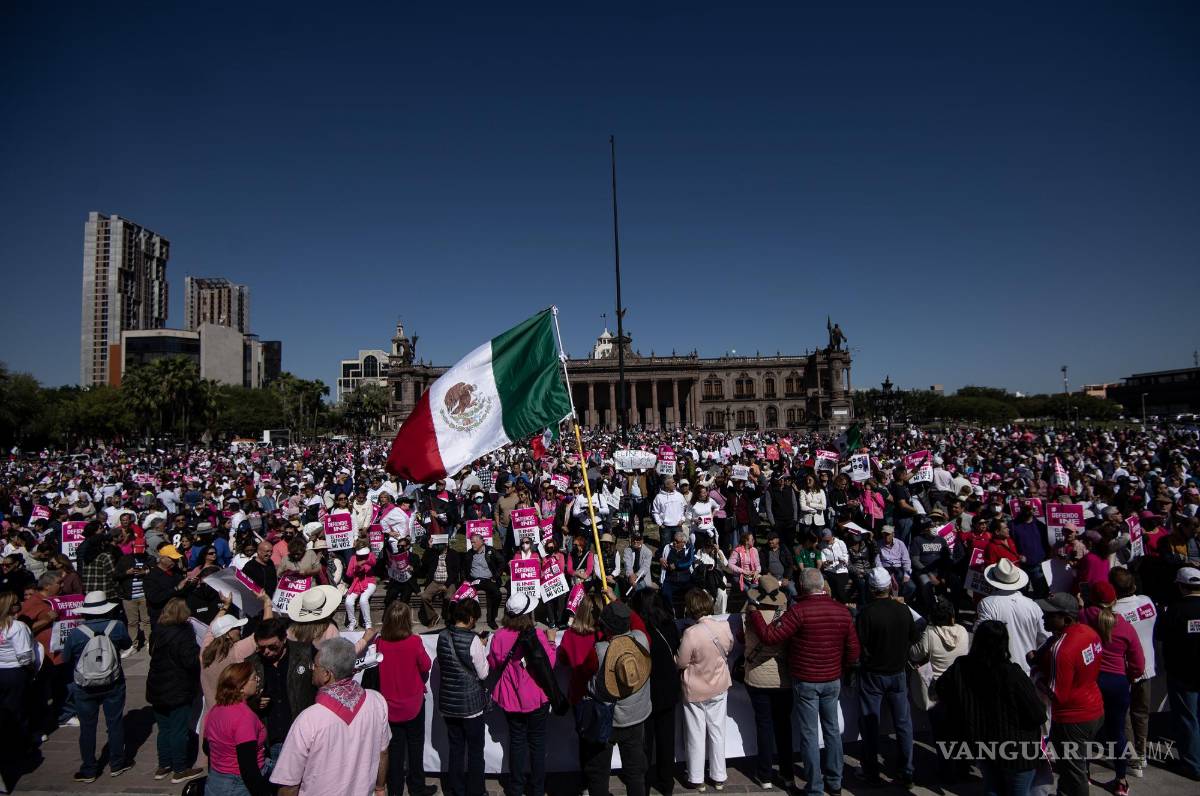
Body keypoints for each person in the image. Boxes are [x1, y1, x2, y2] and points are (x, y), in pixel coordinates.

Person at [749, 567, 859, 796]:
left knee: (809, 734)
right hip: (831, 678)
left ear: (801, 586)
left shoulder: (799, 611)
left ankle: (815, 787)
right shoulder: (841, 611)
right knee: (831, 731)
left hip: (806, 679)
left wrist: (755, 614)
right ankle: (835, 782)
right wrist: (843, 668)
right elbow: (853, 650)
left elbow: (771, 637)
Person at [934, 621, 1046, 796]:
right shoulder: (1012, 674)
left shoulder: (962, 667)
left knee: (992, 789)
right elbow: (1038, 714)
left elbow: (940, 689)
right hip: (1017, 751)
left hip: (983, 745)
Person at [270, 637, 392, 796]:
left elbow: (289, 785)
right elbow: (383, 753)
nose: (311, 669)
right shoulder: (376, 701)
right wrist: (380, 788)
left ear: (327, 674)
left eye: (315, 666)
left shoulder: (308, 720)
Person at [1031, 592, 1104, 796]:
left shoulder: (1062, 650)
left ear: (1067, 619)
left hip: (1072, 719)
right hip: (1094, 708)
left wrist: (1036, 675)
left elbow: (1056, 695)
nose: (1043, 617)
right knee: (1074, 766)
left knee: (1074, 771)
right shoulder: (1089, 632)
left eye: (1049, 614)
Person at [580, 599, 652, 796]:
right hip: (637, 718)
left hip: (608, 721)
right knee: (635, 772)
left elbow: (585, 674)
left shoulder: (601, 651)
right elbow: (639, 625)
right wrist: (620, 604)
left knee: (599, 773)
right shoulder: (642, 640)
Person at [855, 566, 919, 787]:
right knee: (903, 723)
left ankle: (871, 771)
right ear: (890, 587)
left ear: (872, 590)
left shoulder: (866, 613)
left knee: (870, 724)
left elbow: (859, 645)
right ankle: (906, 769)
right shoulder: (903, 610)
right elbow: (914, 636)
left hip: (874, 674)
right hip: (897, 672)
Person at [61, 590, 133, 783]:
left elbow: (66, 657)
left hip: (85, 686)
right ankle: (117, 763)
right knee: (115, 723)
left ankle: (89, 769)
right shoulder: (116, 626)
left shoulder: (77, 632)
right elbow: (127, 644)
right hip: (113, 681)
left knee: (87, 727)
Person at [1080, 580, 1144, 796]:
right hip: (1117, 683)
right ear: (1115, 600)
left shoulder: (1084, 616)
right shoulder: (1125, 626)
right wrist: (1131, 676)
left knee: (1088, 730)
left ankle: (1084, 773)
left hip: (1091, 680)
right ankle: (1121, 780)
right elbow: (1138, 663)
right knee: (1117, 733)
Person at [488, 592, 556, 796]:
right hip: (536, 698)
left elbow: (493, 663)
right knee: (537, 744)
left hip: (511, 699)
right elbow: (550, 663)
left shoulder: (499, 636)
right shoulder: (538, 636)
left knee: (516, 742)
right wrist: (552, 643)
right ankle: (537, 789)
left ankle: (516, 787)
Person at [376, 601, 435, 796]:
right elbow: (426, 665)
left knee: (395, 751)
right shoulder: (413, 642)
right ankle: (417, 787)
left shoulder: (381, 642)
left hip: (390, 706)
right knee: (415, 748)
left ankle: (395, 789)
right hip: (413, 704)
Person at [676, 588, 733, 791]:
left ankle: (697, 777)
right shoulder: (724, 626)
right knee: (718, 731)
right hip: (718, 685)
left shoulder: (690, 633)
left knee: (695, 734)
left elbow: (681, 662)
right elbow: (729, 648)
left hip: (695, 689)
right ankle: (718, 776)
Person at [740, 574, 794, 790]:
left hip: (757, 675)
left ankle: (765, 774)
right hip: (783, 678)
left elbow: (741, 637)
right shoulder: (787, 615)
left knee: (764, 726)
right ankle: (788, 773)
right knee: (784, 726)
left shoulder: (750, 615)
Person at [146, 597, 204, 783]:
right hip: (178, 687)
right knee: (179, 730)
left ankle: (164, 765)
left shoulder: (158, 630)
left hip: (157, 686)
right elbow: (190, 661)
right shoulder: (183, 632)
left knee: (164, 729)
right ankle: (179, 768)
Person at [629, 589, 680, 796]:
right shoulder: (669, 625)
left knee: (645, 743)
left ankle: (645, 783)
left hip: (648, 692)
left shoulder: (640, 630)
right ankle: (666, 783)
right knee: (666, 740)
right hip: (668, 690)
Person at [436, 597, 489, 796]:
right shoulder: (473, 640)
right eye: (474, 618)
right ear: (469, 618)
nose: (475, 622)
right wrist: (482, 647)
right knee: (475, 752)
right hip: (470, 705)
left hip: (449, 704)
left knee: (456, 749)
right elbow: (483, 673)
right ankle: (476, 790)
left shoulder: (442, 636)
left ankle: (456, 789)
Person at [1110, 567, 1157, 778]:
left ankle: (1133, 761)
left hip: (1124, 670)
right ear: (1134, 586)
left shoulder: (1113, 613)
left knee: (1125, 716)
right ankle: (1142, 754)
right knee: (1142, 714)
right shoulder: (1147, 602)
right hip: (1146, 669)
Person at [203, 661, 274, 796]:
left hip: (216, 780)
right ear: (241, 687)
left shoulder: (215, 710)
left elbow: (206, 747)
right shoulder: (244, 717)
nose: (258, 680)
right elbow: (248, 767)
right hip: (239, 785)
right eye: (254, 678)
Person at [1160, 566, 1200, 780]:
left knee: (1188, 720)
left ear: (1181, 586)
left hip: (1183, 674)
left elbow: (1161, 636)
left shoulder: (1174, 610)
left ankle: (1193, 765)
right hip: (1188, 673)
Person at [976, 558, 1049, 674]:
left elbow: (981, 636)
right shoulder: (1032, 605)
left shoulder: (987, 603)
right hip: (1028, 669)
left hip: (1000, 670)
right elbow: (1045, 638)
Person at [0, 588, 37, 782]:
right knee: (19, 711)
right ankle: (20, 748)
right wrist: (31, 670)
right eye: (17, 603)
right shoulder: (17, 627)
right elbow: (24, 656)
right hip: (15, 672)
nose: (21, 604)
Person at [462, 533, 503, 629]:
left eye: (474, 542)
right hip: (473, 580)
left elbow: (501, 562)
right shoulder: (469, 553)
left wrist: (496, 576)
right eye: (471, 542)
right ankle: (469, 620)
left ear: (481, 542)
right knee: (465, 595)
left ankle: (492, 619)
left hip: (487, 579)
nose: (472, 544)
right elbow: (463, 569)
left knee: (497, 594)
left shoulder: (490, 551)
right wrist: (465, 580)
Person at [344, 546, 378, 631]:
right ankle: (352, 622)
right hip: (357, 583)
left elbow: (373, 563)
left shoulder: (370, 555)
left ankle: (368, 623)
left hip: (369, 582)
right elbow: (349, 574)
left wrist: (365, 561)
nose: (362, 556)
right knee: (348, 601)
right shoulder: (353, 558)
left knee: (363, 600)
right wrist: (356, 568)